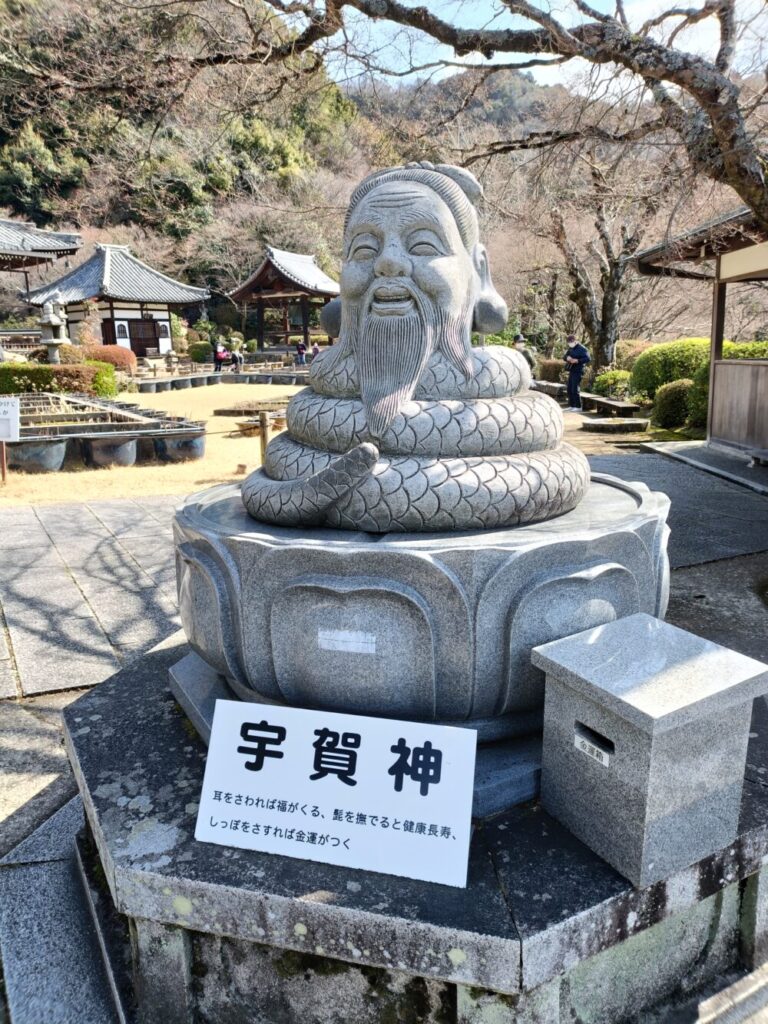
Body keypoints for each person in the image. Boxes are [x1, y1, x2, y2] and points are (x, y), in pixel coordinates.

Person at [563, 335, 590, 411]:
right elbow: (564, 356)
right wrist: (567, 357)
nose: (570, 343)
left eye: (571, 342)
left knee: (575, 388)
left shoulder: (582, 348)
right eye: (568, 342)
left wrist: (577, 361)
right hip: (572, 370)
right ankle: (572, 405)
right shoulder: (571, 348)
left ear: (575, 341)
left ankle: (578, 406)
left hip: (578, 370)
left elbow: (588, 358)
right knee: (569, 388)